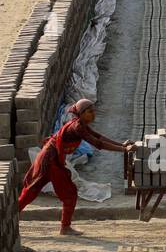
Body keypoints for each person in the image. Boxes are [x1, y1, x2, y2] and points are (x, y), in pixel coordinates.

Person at [18, 99, 133, 235]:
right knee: (64, 193)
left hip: (51, 159)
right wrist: (124, 150)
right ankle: (64, 227)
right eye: (90, 112)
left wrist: (122, 145)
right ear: (82, 113)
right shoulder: (77, 127)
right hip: (50, 160)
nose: (93, 114)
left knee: (33, 190)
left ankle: (12, 216)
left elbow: (99, 136)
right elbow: (98, 144)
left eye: (94, 111)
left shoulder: (82, 125)